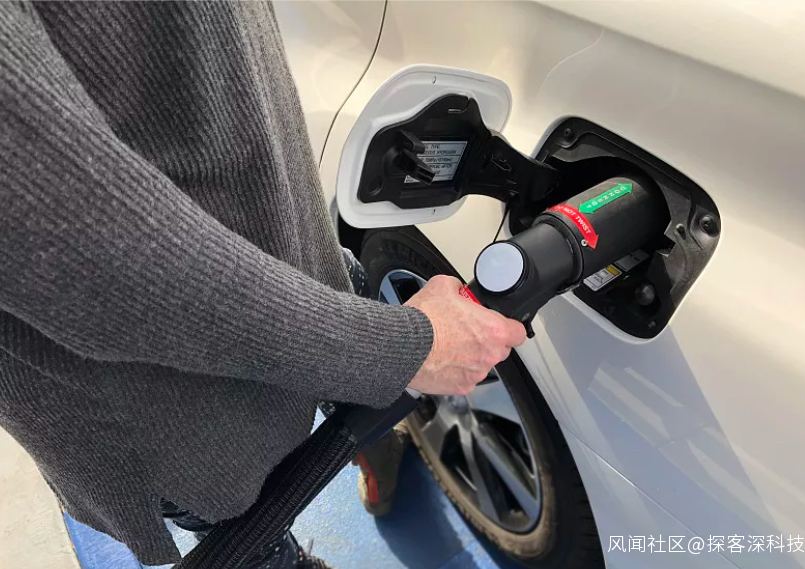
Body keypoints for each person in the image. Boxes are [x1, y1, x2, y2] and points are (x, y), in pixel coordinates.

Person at [0, 3, 526, 568]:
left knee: (356, 401)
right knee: (254, 535)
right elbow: (79, 249)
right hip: (165, 399)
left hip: (302, 262)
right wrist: (397, 349)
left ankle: (377, 446)